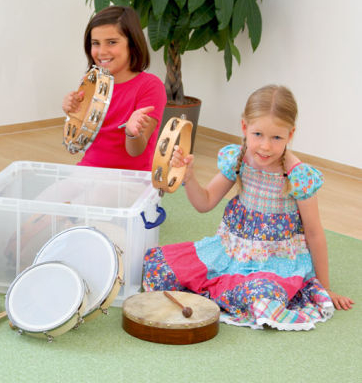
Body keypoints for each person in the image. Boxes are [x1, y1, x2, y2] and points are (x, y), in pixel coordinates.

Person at [143, 84, 354, 330]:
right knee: (158, 268)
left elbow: (314, 232)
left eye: (277, 138)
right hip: (231, 253)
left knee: (262, 300)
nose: (265, 146)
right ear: (244, 127)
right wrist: (189, 177)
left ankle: (237, 295)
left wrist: (324, 288)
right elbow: (205, 202)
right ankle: (229, 293)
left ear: (291, 134)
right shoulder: (238, 159)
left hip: (276, 264)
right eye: (258, 134)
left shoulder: (298, 175)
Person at [62, 5, 166, 171]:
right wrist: (72, 114)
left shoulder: (150, 86)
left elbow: (136, 151)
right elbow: (76, 146)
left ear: (132, 44)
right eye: (95, 43)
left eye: (111, 42)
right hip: (90, 170)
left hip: (130, 178)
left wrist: (132, 133)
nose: (102, 51)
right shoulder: (92, 83)